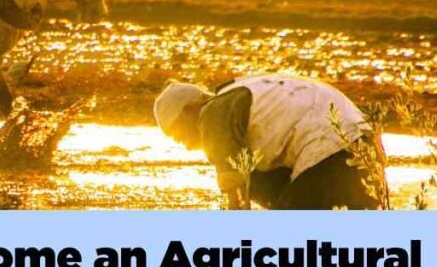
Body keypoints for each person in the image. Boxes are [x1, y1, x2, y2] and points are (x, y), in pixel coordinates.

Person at [154, 73, 385, 210]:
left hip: (328, 145)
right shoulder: (245, 92)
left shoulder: (213, 113)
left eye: (178, 134)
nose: (183, 144)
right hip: (363, 139)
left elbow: (233, 188)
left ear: (189, 111)